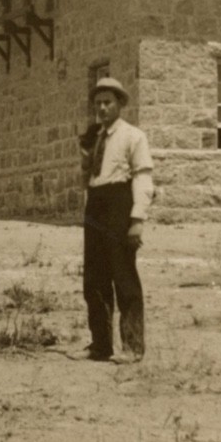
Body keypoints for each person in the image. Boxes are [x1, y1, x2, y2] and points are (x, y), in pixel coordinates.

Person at [79, 77, 154, 362]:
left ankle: (133, 347)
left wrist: (137, 219)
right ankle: (100, 345)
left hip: (119, 206)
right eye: (98, 103)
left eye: (108, 102)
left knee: (123, 277)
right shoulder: (93, 137)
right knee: (94, 280)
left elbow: (143, 178)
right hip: (96, 207)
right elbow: (89, 178)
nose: (102, 108)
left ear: (120, 104)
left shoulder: (133, 136)